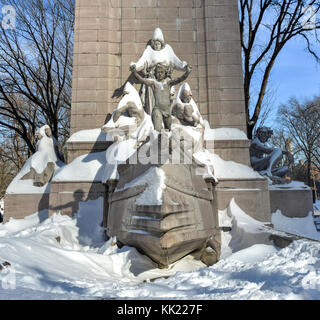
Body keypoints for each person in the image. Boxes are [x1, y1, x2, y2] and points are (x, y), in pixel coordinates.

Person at [130, 63, 192, 132]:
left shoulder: (168, 83)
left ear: (165, 73)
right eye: (158, 72)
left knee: (167, 130)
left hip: (167, 111)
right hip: (157, 110)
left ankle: (164, 141)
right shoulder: (153, 83)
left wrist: (187, 72)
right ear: (155, 74)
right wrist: (134, 72)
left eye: (162, 72)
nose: (160, 74)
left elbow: (180, 79)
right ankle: (157, 140)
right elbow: (142, 80)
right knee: (158, 130)